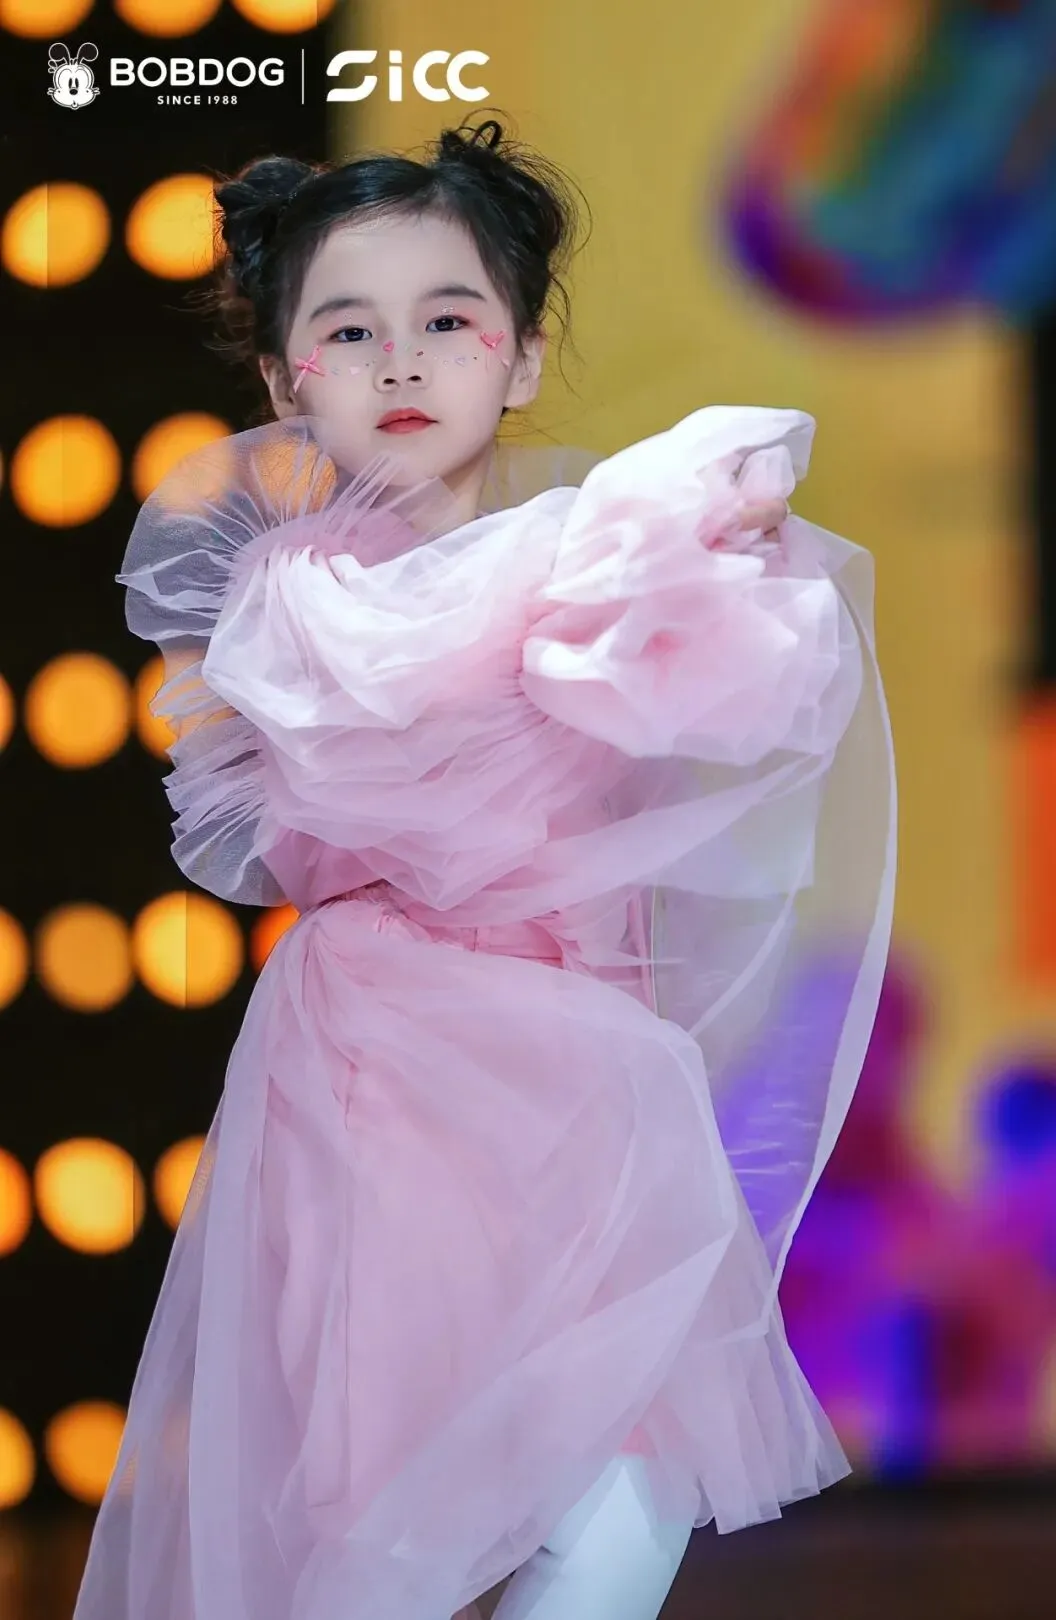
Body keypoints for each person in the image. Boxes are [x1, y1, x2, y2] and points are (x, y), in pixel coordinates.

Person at [72, 119, 896, 1620]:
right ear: (284, 382)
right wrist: (638, 543)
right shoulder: (302, 603)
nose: (401, 362)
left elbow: (753, 695)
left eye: (448, 321)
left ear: (520, 358)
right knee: (390, 1532)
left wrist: (705, 552)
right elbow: (390, 715)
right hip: (392, 1088)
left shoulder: (593, 566)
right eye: (348, 330)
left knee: (633, 1498)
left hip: (590, 1089)